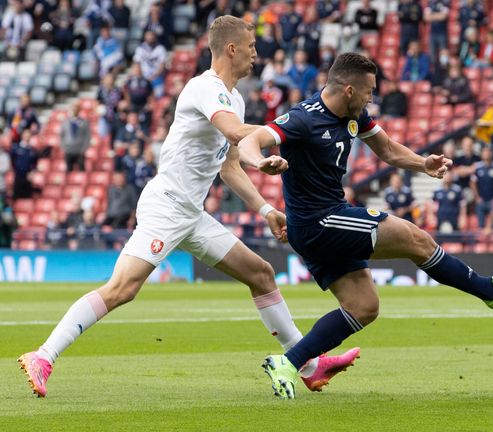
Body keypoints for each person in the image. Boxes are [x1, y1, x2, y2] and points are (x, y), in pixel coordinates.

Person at [19, 16, 357, 399]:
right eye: (250, 47)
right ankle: (43, 355)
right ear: (231, 49)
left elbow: (228, 164)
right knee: (122, 289)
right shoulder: (204, 88)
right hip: (167, 206)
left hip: (192, 214)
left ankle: (307, 366)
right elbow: (234, 132)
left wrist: (264, 208)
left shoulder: (237, 99)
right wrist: (290, 133)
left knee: (261, 273)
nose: (255, 55)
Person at [239, 52, 493, 399]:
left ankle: (288, 363)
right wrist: (262, 162)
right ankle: (490, 291)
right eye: (368, 91)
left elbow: (389, 150)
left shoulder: (354, 114)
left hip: (325, 223)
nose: (371, 98)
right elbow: (248, 141)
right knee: (414, 237)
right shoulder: (303, 119)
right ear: (348, 89)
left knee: (364, 307)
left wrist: (423, 164)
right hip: (319, 222)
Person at [60, 102, 92, 172]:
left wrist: (84, 148)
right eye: (73, 109)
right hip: (69, 150)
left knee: (81, 170)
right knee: (68, 170)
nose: (74, 111)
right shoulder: (65, 122)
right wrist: (64, 147)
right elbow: (61, 136)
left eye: (76, 109)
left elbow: (87, 136)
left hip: (80, 150)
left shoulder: (84, 122)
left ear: (79, 110)